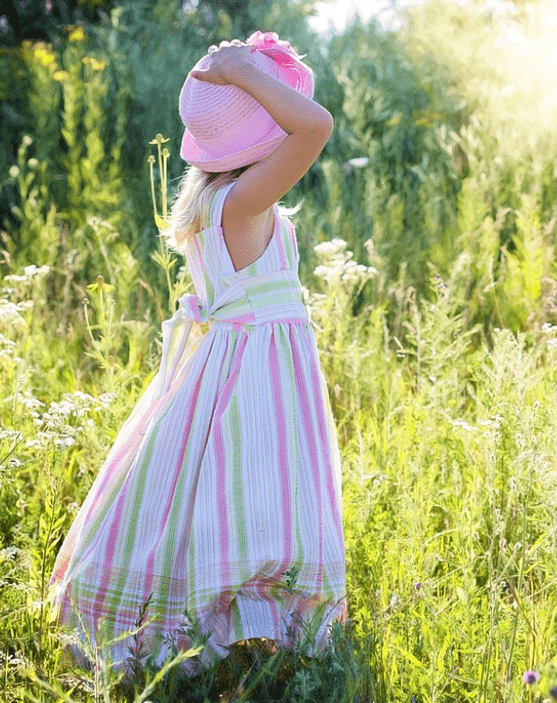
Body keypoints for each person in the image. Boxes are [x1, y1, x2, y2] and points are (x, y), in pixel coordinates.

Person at [48, 31, 346, 677]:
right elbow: (316, 127)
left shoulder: (213, 202)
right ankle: (248, 622)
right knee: (257, 492)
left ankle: (235, 624)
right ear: (266, 131)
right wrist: (241, 68)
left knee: (203, 490)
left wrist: (241, 76)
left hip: (227, 363)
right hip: (258, 371)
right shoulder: (244, 203)